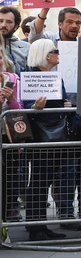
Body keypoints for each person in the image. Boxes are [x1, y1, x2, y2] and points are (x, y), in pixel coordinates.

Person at [24, 39, 71, 240]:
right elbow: (25, 106)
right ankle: (35, 227)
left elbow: (62, 101)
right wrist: (35, 107)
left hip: (55, 135)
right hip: (39, 137)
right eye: (54, 50)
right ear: (45, 54)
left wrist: (66, 105)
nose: (58, 54)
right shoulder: (31, 77)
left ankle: (40, 226)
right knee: (38, 182)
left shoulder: (54, 78)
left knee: (44, 181)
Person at [0, 46, 23, 223]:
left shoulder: (13, 79)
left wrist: (10, 99)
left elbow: (19, 111)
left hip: (7, 137)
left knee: (8, 179)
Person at [0, 6, 30, 74]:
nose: (3, 25)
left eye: (9, 22)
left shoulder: (27, 48)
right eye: (0, 21)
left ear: (16, 27)